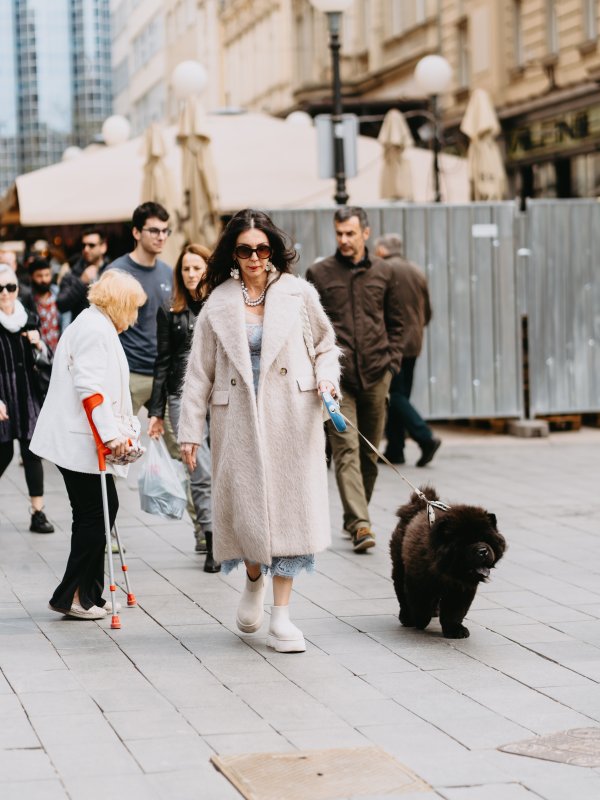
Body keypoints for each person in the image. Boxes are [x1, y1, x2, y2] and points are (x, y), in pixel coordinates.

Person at [178, 209, 340, 653]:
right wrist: (189, 432)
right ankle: (253, 580)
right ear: (234, 252)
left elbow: (326, 345)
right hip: (238, 419)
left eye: (262, 248)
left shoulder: (298, 293)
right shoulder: (219, 302)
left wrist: (327, 380)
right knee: (249, 509)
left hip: (292, 413)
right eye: (245, 249)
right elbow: (198, 374)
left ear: (274, 250)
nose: (254, 257)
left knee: (290, 511)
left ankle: (282, 616)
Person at [30, 270, 146, 620]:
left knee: (96, 512)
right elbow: (91, 389)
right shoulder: (95, 330)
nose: (136, 316)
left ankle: (86, 593)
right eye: (134, 308)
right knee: (97, 513)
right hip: (80, 441)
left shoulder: (94, 324)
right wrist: (112, 436)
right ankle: (75, 595)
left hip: (80, 439)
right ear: (121, 304)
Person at [306, 206, 404, 554]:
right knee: (345, 448)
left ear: (365, 233)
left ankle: (354, 517)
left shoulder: (386, 272)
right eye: (339, 234)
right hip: (339, 377)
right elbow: (312, 327)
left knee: (369, 452)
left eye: (350, 233)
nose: (344, 240)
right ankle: (361, 524)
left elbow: (398, 322)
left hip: (378, 373)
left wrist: (391, 364)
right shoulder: (319, 272)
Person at [147, 244, 218, 571]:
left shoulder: (220, 305)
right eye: (186, 269)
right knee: (200, 469)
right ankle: (211, 539)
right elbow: (162, 361)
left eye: (196, 268)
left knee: (227, 466)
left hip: (221, 395)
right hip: (181, 395)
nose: (191, 274)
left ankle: (230, 533)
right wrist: (155, 412)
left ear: (207, 269)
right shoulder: (169, 308)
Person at [374, 234, 441, 467]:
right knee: (400, 395)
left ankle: (425, 438)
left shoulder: (382, 269)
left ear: (382, 250)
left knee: (394, 394)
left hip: (392, 343)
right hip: (414, 342)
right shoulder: (416, 270)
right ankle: (395, 449)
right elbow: (428, 310)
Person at [0, 264, 54, 534]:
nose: (5, 293)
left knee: (33, 453)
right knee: (3, 452)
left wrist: (38, 344)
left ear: (17, 289)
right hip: (2, 395)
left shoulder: (29, 318)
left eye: (10, 287)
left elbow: (46, 360)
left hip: (28, 393)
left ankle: (38, 512)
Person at [105, 202, 173, 415]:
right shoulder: (117, 272)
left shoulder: (167, 272)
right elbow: (103, 326)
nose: (161, 236)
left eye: (165, 231)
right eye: (153, 230)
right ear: (136, 232)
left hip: (162, 373)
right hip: (129, 373)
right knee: (120, 442)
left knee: (181, 444)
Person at [57, 226, 110, 321]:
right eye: (83, 245)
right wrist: (81, 282)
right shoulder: (73, 272)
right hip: (83, 330)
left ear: (103, 247)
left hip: (108, 329)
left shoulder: (111, 272)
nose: (86, 249)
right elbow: (61, 305)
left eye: (91, 245)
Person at [24, 258, 69, 351]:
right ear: (31, 277)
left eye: (47, 275)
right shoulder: (27, 301)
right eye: (39, 276)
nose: (44, 279)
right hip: (40, 354)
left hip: (60, 351)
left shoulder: (59, 295)